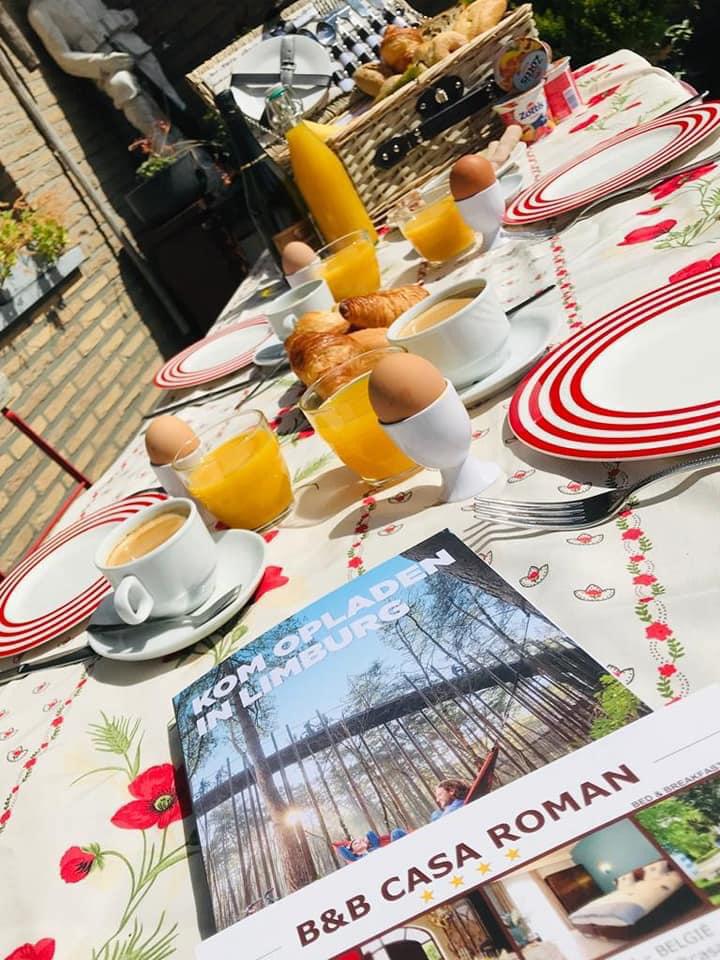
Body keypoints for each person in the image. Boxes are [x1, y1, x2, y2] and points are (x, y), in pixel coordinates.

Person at [28, 0, 185, 135]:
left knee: (167, 93)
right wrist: (102, 62)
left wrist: (124, 17)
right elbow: (63, 58)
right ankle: (165, 144)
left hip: (128, 43)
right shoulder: (39, 11)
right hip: (102, 61)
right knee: (123, 85)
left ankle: (190, 131)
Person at [334, 828, 407, 863]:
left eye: (360, 841)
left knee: (396, 832)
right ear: (353, 852)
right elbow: (342, 850)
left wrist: (366, 840)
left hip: (392, 856)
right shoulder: (356, 860)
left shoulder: (375, 847)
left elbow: (370, 834)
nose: (359, 842)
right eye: (356, 843)